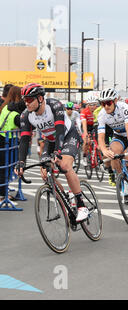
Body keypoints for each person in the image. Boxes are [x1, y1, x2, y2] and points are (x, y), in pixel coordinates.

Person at [15, 83, 90, 222]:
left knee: (65, 165)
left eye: (30, 99)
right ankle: (66, 198)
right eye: (24, 100)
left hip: (68, 136)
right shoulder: (26, 115)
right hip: (50, 141)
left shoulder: (54, 105)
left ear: (40, 99)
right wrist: (21, 162)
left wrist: (57, 151)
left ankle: (81, 205)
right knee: (45, 173)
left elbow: (60, 131)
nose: (27, 103)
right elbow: (24, 140)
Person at [0, 86, 22, 203]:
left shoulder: (5, 107)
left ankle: (4, 194)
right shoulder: (14, 112)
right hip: (6, 141)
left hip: (5, 140)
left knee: (4, 169)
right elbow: (22, 124)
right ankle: (2, 196)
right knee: (4, 169)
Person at [80, 98, 97, 167]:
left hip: (94, 126)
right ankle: (84, 157)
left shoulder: (98, 111)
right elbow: (84, 124)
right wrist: (86, 134)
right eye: (90, 105)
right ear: (88, 105)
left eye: (94, 105)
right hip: (86, 126)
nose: (92, 106)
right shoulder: (84, 112)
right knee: (86, 141)